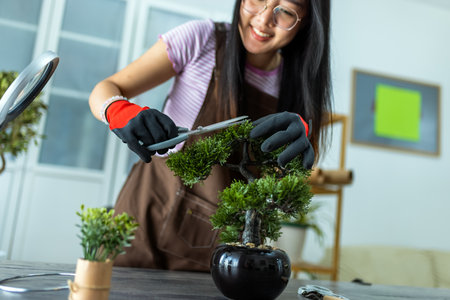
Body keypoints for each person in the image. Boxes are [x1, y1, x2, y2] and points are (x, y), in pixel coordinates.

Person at [89, 0, 332, 272]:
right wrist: (119, 110)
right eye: (256, 0)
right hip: (144, 217)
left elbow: (286, 178)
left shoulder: (297, 88)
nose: (263, 21)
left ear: (308, 20)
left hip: (220, 247)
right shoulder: (201, 40)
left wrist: (302, 146)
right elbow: (106, 88)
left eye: (285, 11)